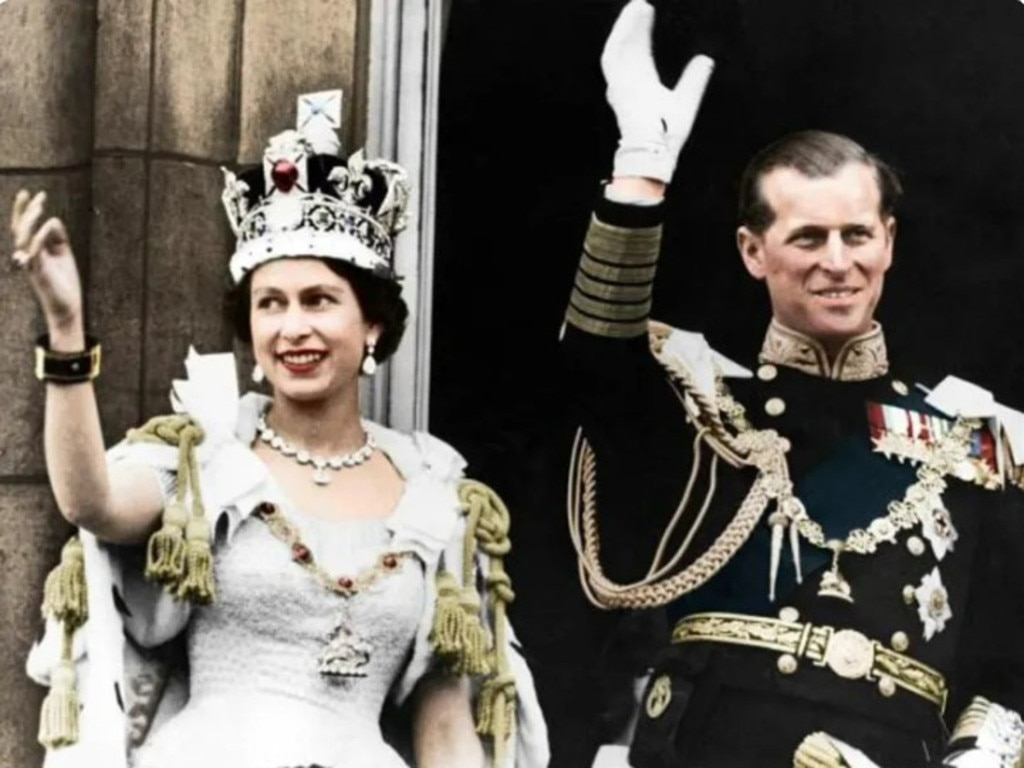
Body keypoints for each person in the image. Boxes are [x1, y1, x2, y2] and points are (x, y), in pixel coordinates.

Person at [559, 1, 1024, 766]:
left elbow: (1012, 657)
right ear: (753, 250)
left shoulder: (974, 438)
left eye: (856, 235)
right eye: (806, 237)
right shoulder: (705, 404)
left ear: (888, 244)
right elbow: (593, 368)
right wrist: (641, 169)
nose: (836, 263)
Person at [14, 102, 548, 768]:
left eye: (319, 300)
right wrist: (67, 334)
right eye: (271, 304)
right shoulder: (207, 457)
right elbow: (89, 501)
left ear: (372, 325)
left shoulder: (433, 490)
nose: (292, 327)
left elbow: (442, 729)